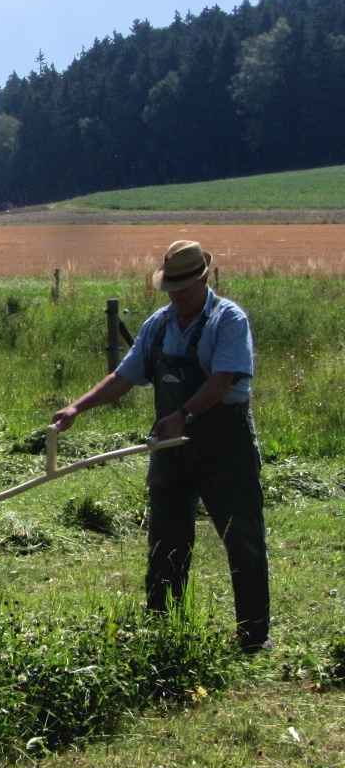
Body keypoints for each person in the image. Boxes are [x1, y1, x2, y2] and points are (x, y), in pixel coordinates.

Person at [52, 240, 270, 652]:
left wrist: (183, 415)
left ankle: (253, 637)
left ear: (203, 280)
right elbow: (124, 376)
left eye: (184, 287)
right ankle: (162, 631)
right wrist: (77, 408)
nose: (176, 295)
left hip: (225, 445)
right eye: (171, 287)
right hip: (171, 447)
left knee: (242, 536)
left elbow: (223, 379)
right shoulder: (157, 325)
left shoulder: (229, 320)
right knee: (166, 537)